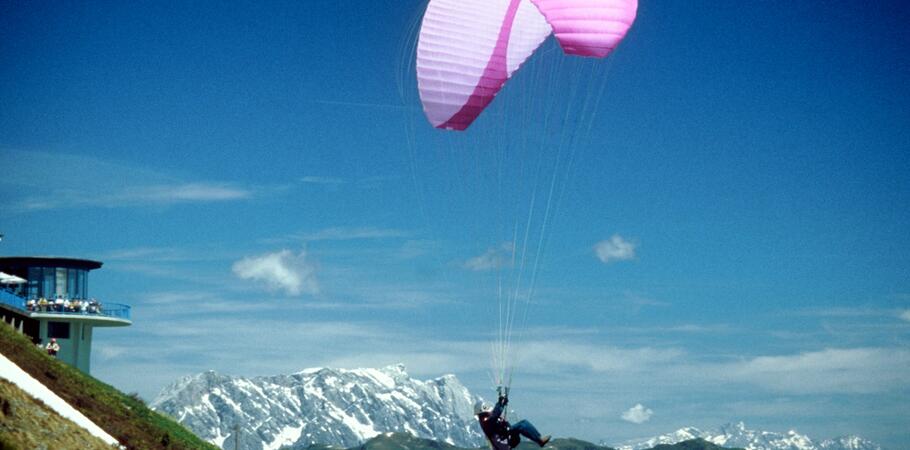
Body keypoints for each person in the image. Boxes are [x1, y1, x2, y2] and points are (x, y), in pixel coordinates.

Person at [474, 389, 550, 450]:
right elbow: (495, 415)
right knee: (522, 424)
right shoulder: (485, 422)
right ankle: (540, 440)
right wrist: (500, 403)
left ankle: (540, 440)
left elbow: (495, 416)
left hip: (506, 439)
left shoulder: (488, 420)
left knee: (522, 424)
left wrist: (502, 403)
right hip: (504, 443)